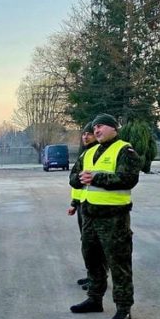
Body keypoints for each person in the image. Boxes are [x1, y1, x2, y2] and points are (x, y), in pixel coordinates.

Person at [69, 114, 141, 319]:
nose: (96, 130)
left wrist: (96, 177)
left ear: (113, 129)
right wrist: (79, 178)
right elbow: (73, 177)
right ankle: (94, 299)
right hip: (90, 216)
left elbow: (129, 178)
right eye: (95, 127)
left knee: (118, 263)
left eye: (100, 126)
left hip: (114, 218)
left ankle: (123, 307)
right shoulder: (89, 152)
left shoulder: (124, 150)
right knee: (91, 259)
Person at [68, 122, 98, 289]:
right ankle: (91, 275)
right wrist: (74, 203)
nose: (86, 137)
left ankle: (97, 279)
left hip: (95, 206)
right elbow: (75, 180)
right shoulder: (84, 154)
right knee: (87, 243)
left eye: (89, 134)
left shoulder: (97, 153)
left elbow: (84, 179)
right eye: (84, 134)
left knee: (94, 245)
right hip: (83, 205)